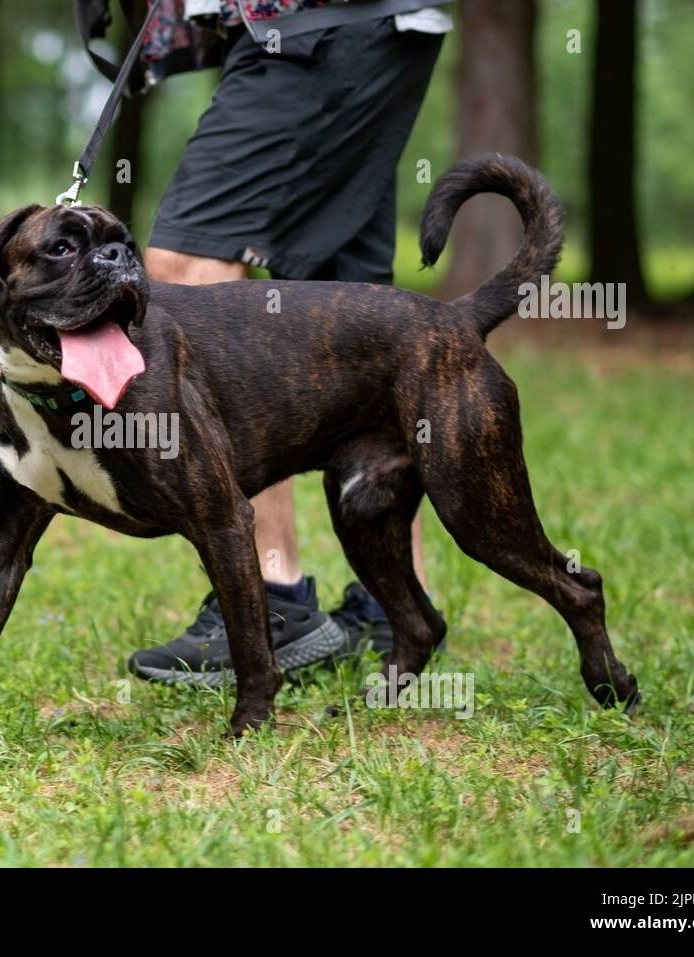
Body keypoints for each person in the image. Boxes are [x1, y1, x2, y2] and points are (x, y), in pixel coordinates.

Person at [80, 0, 452, 684]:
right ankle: (395, 602)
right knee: (346, 310)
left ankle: (271, 598)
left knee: (188, 267)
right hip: (364, 25)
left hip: (312, 23)